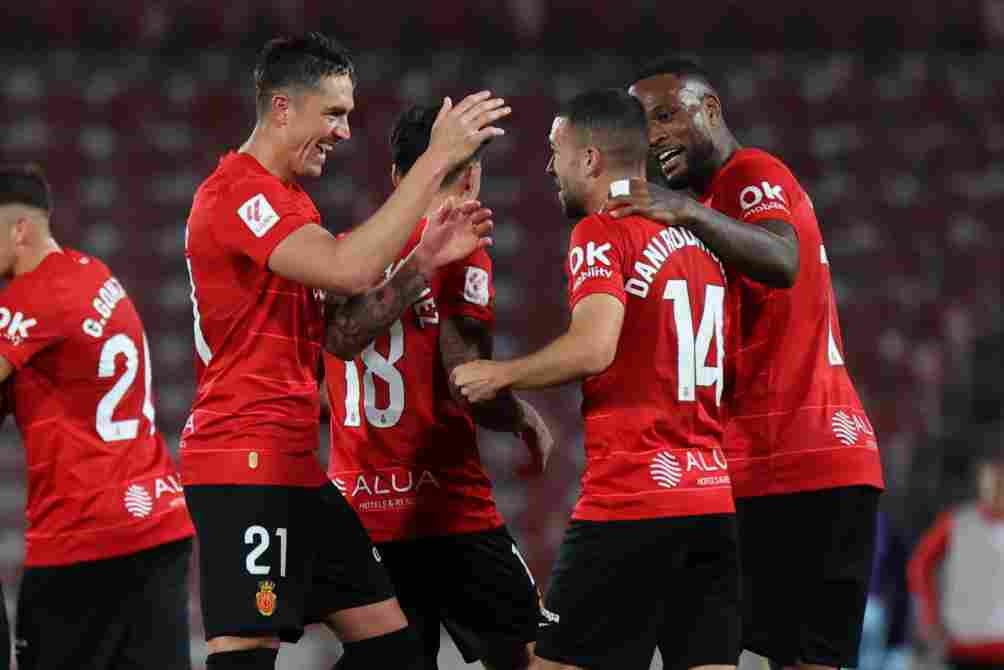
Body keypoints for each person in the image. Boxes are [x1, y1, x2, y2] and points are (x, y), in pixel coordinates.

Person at [181, 32, 509, 670]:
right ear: (282, 108)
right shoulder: (236, 194)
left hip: (295, 462)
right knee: (245, 656)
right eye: (333, 112)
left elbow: (338, 335)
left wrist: (420, 265)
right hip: (244, 458)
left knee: (394, 650)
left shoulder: (290, 203)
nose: (345, 131)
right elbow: (350, 267)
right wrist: (434, 162)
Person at [606, 58, 886, 670]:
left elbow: (783, 258)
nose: (652, 137)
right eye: (641, 125)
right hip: (751, 464)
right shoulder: (707, 204)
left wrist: (687, 214)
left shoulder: (750, 174)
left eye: (666, 115)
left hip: (807, 460)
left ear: (710, 110)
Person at [454, 88, 740, 670]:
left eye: (556, 153)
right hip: (711, 502)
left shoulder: (602, 230)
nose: (549, 169)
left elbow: (593, 347)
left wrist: (500, 373)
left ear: (589, 160)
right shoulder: (700, 243)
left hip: (633, 500)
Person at [323, 104, 552, 670]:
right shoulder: (462, 246)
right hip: (447, 510)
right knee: (535, 655)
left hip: (359, 515)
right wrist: (521, 414)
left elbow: (330, 362)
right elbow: (467, 381)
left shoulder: (342, 254)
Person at [0, 164, 194, 670]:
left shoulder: (31, 298)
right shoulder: (92, 271)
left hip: (84, 542)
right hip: (157, 530)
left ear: (18, 228)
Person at [908, 450, 1004, 670]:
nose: (996, 490)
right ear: (982, 483)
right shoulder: (956, 522)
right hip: (963, 642)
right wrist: (930, 614)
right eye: (992, 482)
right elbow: (920, 566)